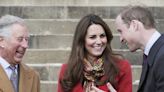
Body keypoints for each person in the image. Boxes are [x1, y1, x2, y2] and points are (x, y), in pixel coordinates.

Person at [57, 14, 132, 92]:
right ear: (82, 40)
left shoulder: (122, 67)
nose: (99, 42)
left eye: (102, 36)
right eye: (92, 37)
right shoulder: (67, 70)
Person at [115, 5, 164, 92]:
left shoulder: (162, 55)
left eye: (121, 31)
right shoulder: (153, 53)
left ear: (134, 25)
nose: (121, 39)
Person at [0, 15, 40, 92]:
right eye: (20, 39)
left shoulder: (33, 76)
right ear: (2, 41)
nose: (25, 45)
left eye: (27, 39)